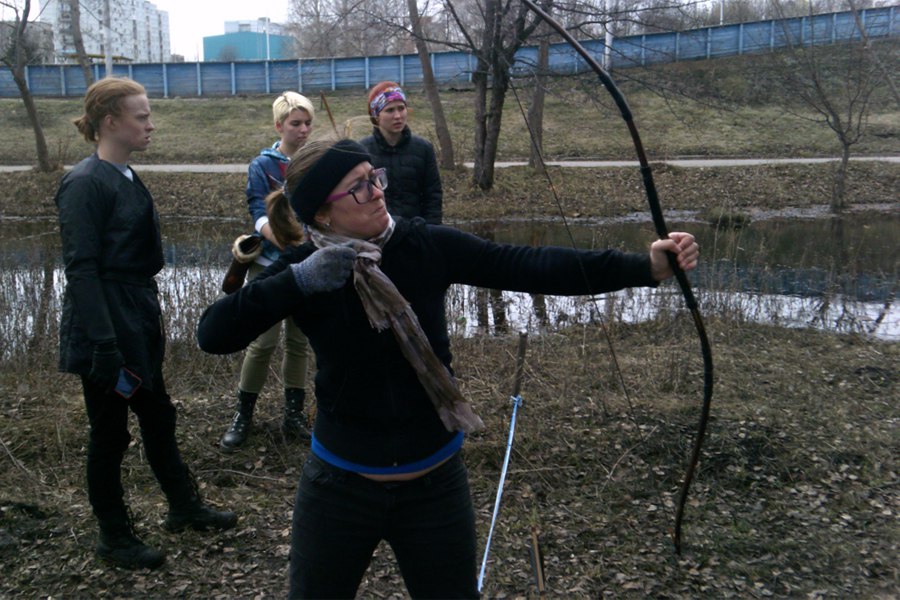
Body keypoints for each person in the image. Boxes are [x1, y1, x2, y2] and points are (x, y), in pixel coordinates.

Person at [196, 138, 700, 598]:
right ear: (323, 214)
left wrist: (644, 268)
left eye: (375, 177)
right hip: (339, 487)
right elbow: (213, 335)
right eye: (359, 187)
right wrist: (299, 282)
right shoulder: (307, 270)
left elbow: (527, 263)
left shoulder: (422, 244)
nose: (378, 191)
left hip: (434, 486)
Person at [55, 77, 237, 571]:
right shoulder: (85, 183)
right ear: (110, 121)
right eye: (142, 116)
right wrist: (104, 344)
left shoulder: (125, 175)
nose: (151, 125)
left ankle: (183, 507)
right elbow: (81, 270)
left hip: (137, 317)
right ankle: (113, 537)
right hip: (107, 328)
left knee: (158, 414)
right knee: (110, 433)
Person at [220, 91, 316, 451]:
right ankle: (243, 415)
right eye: (295, 123)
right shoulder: (263, 165)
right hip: (269, 266)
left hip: (306, 265)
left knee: (299, 342)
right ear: (279, 126)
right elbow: (258, 212)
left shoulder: (315, 160)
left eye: (307, 123)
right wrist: (286, 244)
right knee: (262, 343)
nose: (303, 130)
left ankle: (293, 415)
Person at [360, 82, 443, 224]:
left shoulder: (423, 149)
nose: (398, 116)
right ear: (376, 116)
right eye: (390, 110)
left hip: (416, 230)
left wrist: (430, 231)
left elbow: (433, 196)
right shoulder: (363, 151)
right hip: (378, 231)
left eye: (401, 108)